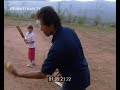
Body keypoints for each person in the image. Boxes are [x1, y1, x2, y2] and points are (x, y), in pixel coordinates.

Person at [9, 6, 90, 90]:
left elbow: (42, 74)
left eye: (42, 25)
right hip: (83, 74)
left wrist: (19, 74)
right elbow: (76, 53)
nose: (41, 29)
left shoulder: (56, 48)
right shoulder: (69, 30)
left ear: (51, 25)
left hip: (74, 82)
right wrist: (64, 68)